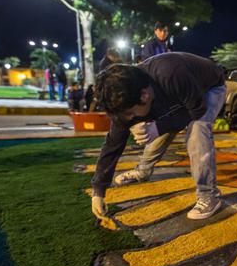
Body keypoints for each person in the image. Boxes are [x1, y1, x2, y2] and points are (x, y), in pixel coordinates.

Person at [91, 52, 226, 221]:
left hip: (208, 88)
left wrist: (159, 127)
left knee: (197, 128)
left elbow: (198, 110)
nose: (129, 119)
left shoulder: (171, 73)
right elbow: (113, 144)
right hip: (177, 97)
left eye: (131, 113)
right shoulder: (125, 96)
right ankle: (143, 171)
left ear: (144, 95)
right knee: (152, 128)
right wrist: (98, 191)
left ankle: (209, 195)